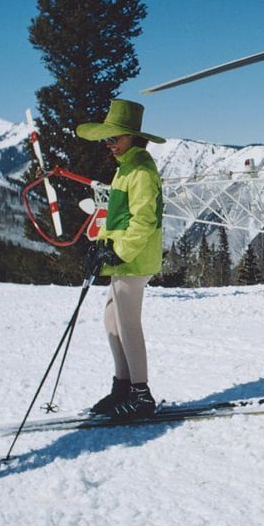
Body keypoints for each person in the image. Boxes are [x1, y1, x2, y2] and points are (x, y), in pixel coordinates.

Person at [76, 99, 165, 419]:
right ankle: (123, 387)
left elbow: (144, 221)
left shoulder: (141, 170)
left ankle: (141, 394)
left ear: (133, 137)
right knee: (112, 321)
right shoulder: (126, 167)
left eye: (115, 138)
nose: (108, 144)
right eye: (106, 138)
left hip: (135, 259)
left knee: (127, 323)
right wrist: (100, 245)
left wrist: (118, 251)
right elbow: (117, 219)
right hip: (123, 258)